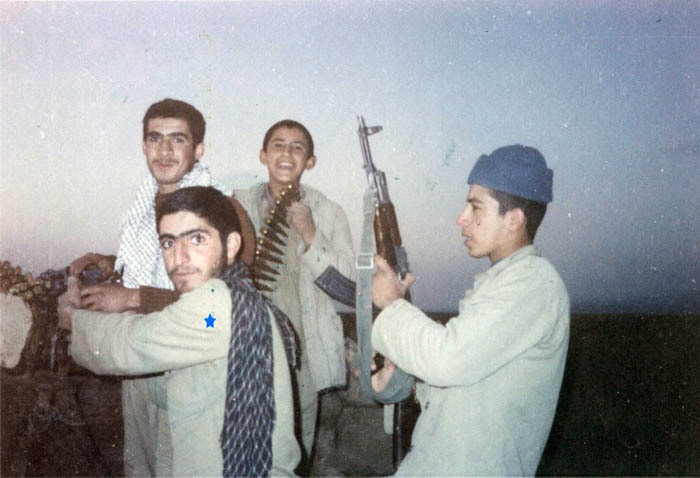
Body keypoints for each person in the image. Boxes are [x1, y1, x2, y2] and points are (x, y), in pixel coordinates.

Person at [68, 98, 256, 476]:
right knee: (140, 466)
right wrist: (111, 262)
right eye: (155, 138)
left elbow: (223, 307)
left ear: (198, 150)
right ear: (143, 146)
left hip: (189, 368)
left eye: (178, 139)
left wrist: (133, 298)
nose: (165, 150)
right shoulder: (144, 205)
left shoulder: (221, 210)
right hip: (140, 361)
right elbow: (159, 265)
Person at [58, 186, 301, 477]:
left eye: (197, 239)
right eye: (169, 243)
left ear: (231, 245)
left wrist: (74, 319)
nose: (180, 257)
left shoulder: (216, 305)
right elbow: (181, 389)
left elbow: (131, 345)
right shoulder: (239, 299)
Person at [370, 145, 570, 476]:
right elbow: (464, 386)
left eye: (475, 207)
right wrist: (400, 368)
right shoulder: (504, 282)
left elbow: (447, 359)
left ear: (514, 220)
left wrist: (392, 306)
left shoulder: (533, 283)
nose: (461, 218)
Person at [234, 120, 355, 469]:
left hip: (302, 357)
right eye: (278, 145)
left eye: (298, 147)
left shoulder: (328, 212)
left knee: (294, 455)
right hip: (245, 347)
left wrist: (312, 233)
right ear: (263, 155)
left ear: (310, 161)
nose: (287, 153)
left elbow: (349, 287)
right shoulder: (236, 205)